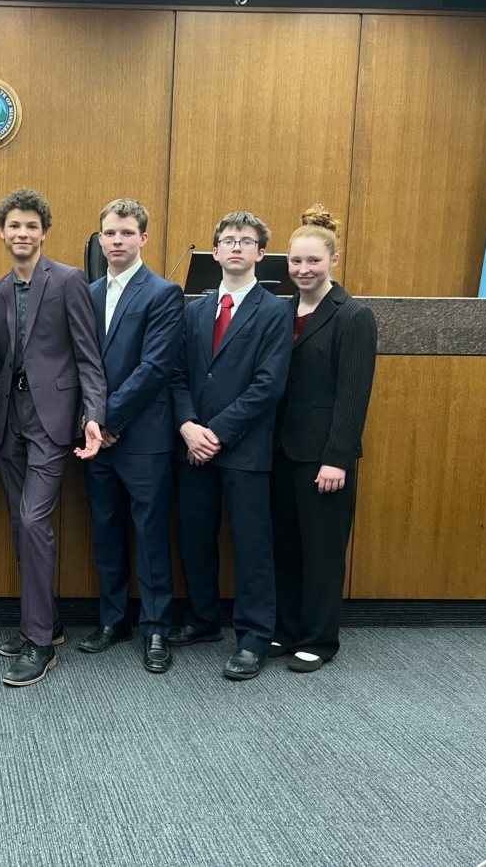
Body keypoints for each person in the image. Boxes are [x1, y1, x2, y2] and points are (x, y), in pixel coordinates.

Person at [0, 187, 106, 687]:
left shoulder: (71, 281)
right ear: (3, 233)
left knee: (34, 521)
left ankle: (37, 644)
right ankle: (47, 623)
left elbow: (88, 358)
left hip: (54, 422)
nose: (23, 233)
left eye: (32, 225)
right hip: (9, 424)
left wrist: (93, 415)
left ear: (44, 233)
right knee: (19, 523)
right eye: (14, 226)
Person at [170, 211, 292, 681]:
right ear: (214, 252)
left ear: (262, 253)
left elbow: (268, 385)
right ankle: (203, 620)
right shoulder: (194, 310)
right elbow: (177, 376)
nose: (236, 247)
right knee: (195, 536)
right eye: (227, 240)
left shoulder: (276, 311)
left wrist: (216, 433)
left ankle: (254, 637)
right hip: (193, 445)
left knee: (251, 544)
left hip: (243, 448)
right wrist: (186, 426)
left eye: (246, 241)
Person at [270, 206, 377, 672]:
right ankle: (286, 629)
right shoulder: (279, 311)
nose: (303, 270)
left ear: (334, 259)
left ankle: (319, 639)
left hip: (324, 458)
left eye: (313, 261)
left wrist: (337, 459)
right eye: (296, 262)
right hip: (278, 452)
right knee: (286, 545)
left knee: (323, 551)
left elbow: (354, 396)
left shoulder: (353, 316)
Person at [81, 199, 184, 673]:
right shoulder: (88, 291)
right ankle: (112, 619)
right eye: (109, 233)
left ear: (143, 238)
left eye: (126, 233)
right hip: (95, 439)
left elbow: (155, 368)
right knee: (105, 531)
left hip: (141, 438)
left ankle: (157, 627)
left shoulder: (163, 293)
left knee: (150, 535)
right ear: (99, 240)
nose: (116, 241)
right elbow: (81, 365)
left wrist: (107, 423)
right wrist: (94, 425)